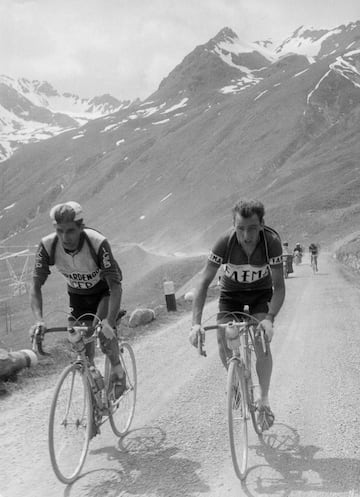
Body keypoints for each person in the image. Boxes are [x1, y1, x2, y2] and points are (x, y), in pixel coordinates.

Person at [189, 200, 285, 430]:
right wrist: (195, 324)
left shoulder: (271, 242)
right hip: (231, 295)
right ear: (234, 226)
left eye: (252, 228)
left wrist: (269, 319)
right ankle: (236, 383)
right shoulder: (225, 242)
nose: (246, 235)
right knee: (223, 340)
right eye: (240, 228)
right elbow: (203, 282)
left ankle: (264, 400)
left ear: (261, 224)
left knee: (262, 343)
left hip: (260, 294)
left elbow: (279, 286)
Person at [29, 201, 126, 398]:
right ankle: (94, 400)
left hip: (104, 292)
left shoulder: (97, 242)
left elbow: (115, 287)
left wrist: (108, 321)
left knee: (101, 335)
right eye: (60, 231)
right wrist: (39, 319)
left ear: (81, 227)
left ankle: (118, 370)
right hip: (78, 296)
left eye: (71, 231)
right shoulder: (48, 245)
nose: (65, 237)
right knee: (81, 347)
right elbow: (35, 286)